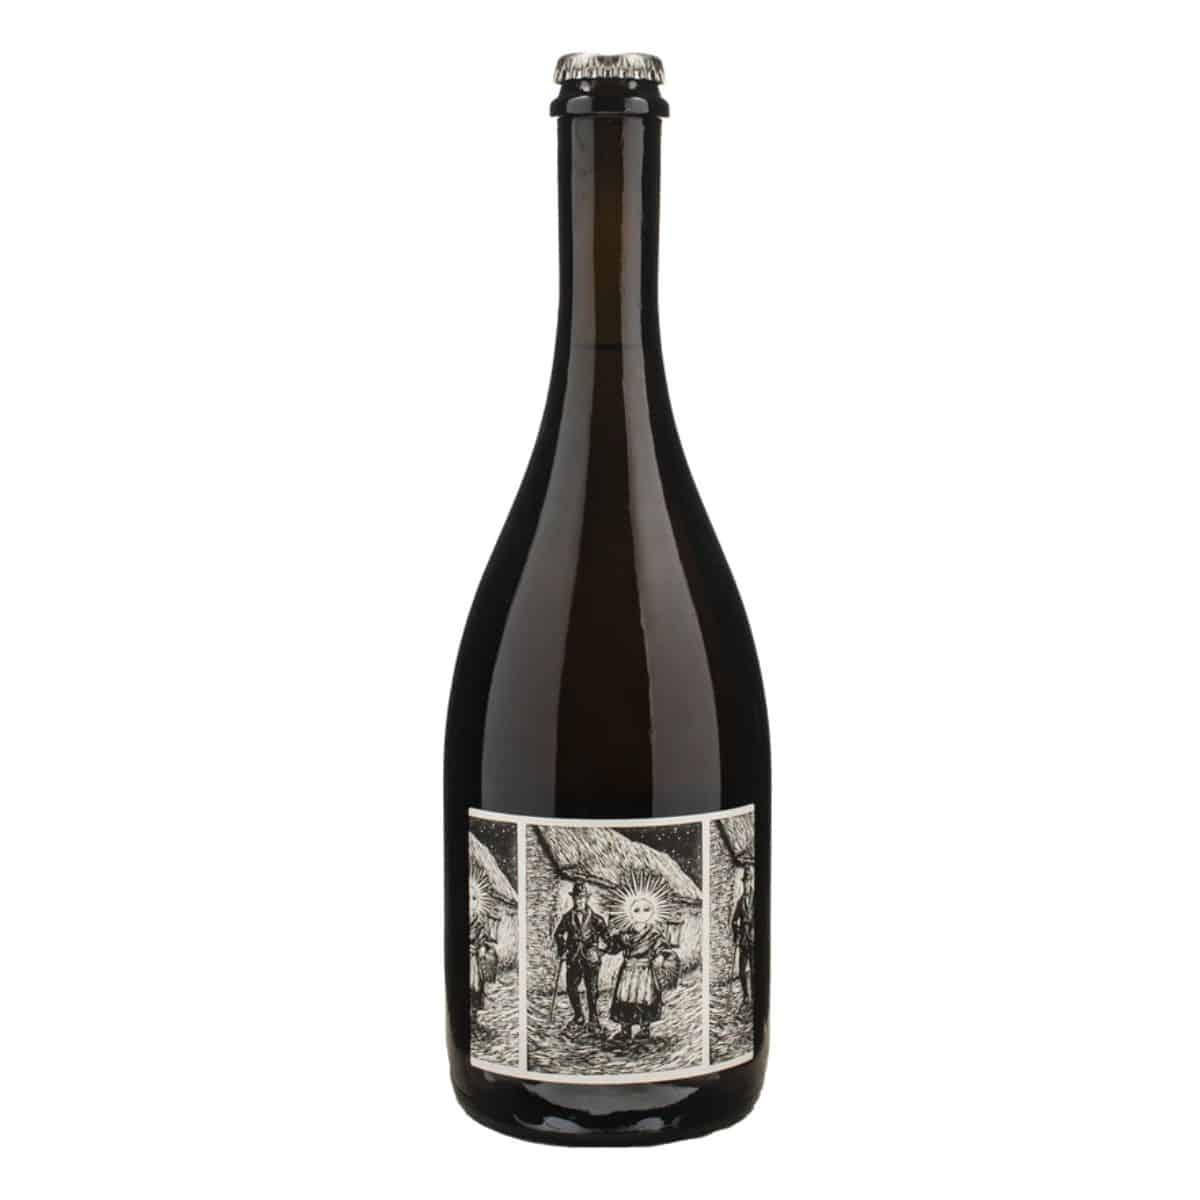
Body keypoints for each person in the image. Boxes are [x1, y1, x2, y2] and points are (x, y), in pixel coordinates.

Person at [606, 896, 668, 1041]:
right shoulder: (625, 934)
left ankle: (644, 1028)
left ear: (652, 912)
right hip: (628, 971)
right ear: (629, 912)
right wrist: (608, 940)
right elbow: (613, 948)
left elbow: (661, 948)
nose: (641, 913)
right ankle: (625, 1029)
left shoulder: (654, 934)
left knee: (645, 998)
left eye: (646, 909)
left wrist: (660, 956)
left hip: (645, 971)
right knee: (624, 998)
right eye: (636, 910)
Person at [553, 881, 609, 1029]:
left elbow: (607, 939)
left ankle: (593, 1018)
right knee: (571, 988)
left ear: (586, 899)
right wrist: (563, 948)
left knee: (592, 989)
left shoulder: (597, 919)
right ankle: (578, 1016)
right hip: (573, 958)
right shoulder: (567, 917)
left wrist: (600, 952)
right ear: (573, 899)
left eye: (582, 897)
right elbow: (558, 934)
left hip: (591, 959)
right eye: (577, 898)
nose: (579, 901)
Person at [468, 887, 495, 1023]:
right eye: (468, 898)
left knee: (476, 986)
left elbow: (485, 940)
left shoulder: (480, 922)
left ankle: (474, 1016)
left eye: (474, 899)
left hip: (475, 959)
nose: (471, 902)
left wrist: (483, 948)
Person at [731, 863, 755, 1007]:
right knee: (741, 970)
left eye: (748, 881)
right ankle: (746, 996)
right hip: (743, 940)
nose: (746, 884)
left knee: (754, 969)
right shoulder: (740, 901)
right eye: (744, 882)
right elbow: (734, 920)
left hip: (754, 938)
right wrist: (737, 933)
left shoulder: (757, 898)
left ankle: (756, 995)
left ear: (751, 882)